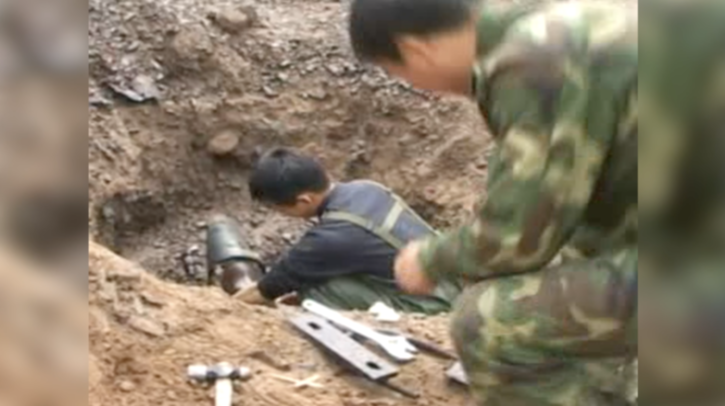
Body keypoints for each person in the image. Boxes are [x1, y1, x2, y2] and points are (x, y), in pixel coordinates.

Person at [349, 0, 638, 405]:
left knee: (486, 323)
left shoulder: (536, 60)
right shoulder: (560, 21)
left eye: (400, 73)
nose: (419, 87)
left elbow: (518, 239)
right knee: (572, 267)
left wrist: (430, 259)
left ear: (416, 51)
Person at [227, 147, 459, 314]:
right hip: (460, 277)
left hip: (440, 303)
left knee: (316, 290)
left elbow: (268, 289)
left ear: (304, 200)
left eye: (278, 208)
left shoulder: (329, 238)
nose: (280, 214)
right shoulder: (367, 188)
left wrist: (226, 309)